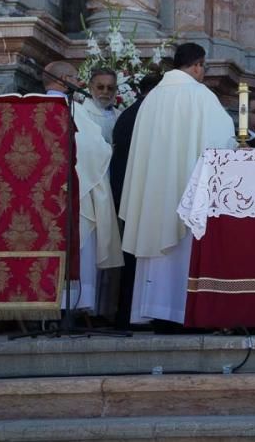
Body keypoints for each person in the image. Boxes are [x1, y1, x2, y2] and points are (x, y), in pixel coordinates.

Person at [120, 42, 236, 325]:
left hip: (154, 194)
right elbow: (222, 144)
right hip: (188, 189)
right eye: (203, 67)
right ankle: (180, 312)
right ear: (197, 65)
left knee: (156, 244)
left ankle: (154, 311)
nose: (203, 73)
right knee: (182, 250)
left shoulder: (151, 99)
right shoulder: (200, 96)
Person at [42, 61, 123, 312]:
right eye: (76, 79)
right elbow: (93, 150)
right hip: (75, 191)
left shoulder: (30, 106)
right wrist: (113, 151)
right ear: (65, 79)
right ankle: (74, 304)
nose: (78, 84)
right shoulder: (75, 110)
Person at [109, 67, 164, 329]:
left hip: (128, 195)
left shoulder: (129, 115)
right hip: (143, 197)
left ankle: (128, 313)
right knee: (141, 259)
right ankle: (137, 314)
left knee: (133, 257)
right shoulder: (146, 116)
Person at [76, 68, 120, 143]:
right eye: (100, 87)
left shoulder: (119, 115)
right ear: (90, 88)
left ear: (115, 90)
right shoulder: (81, 114)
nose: (105, 91)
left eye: (110, 88)